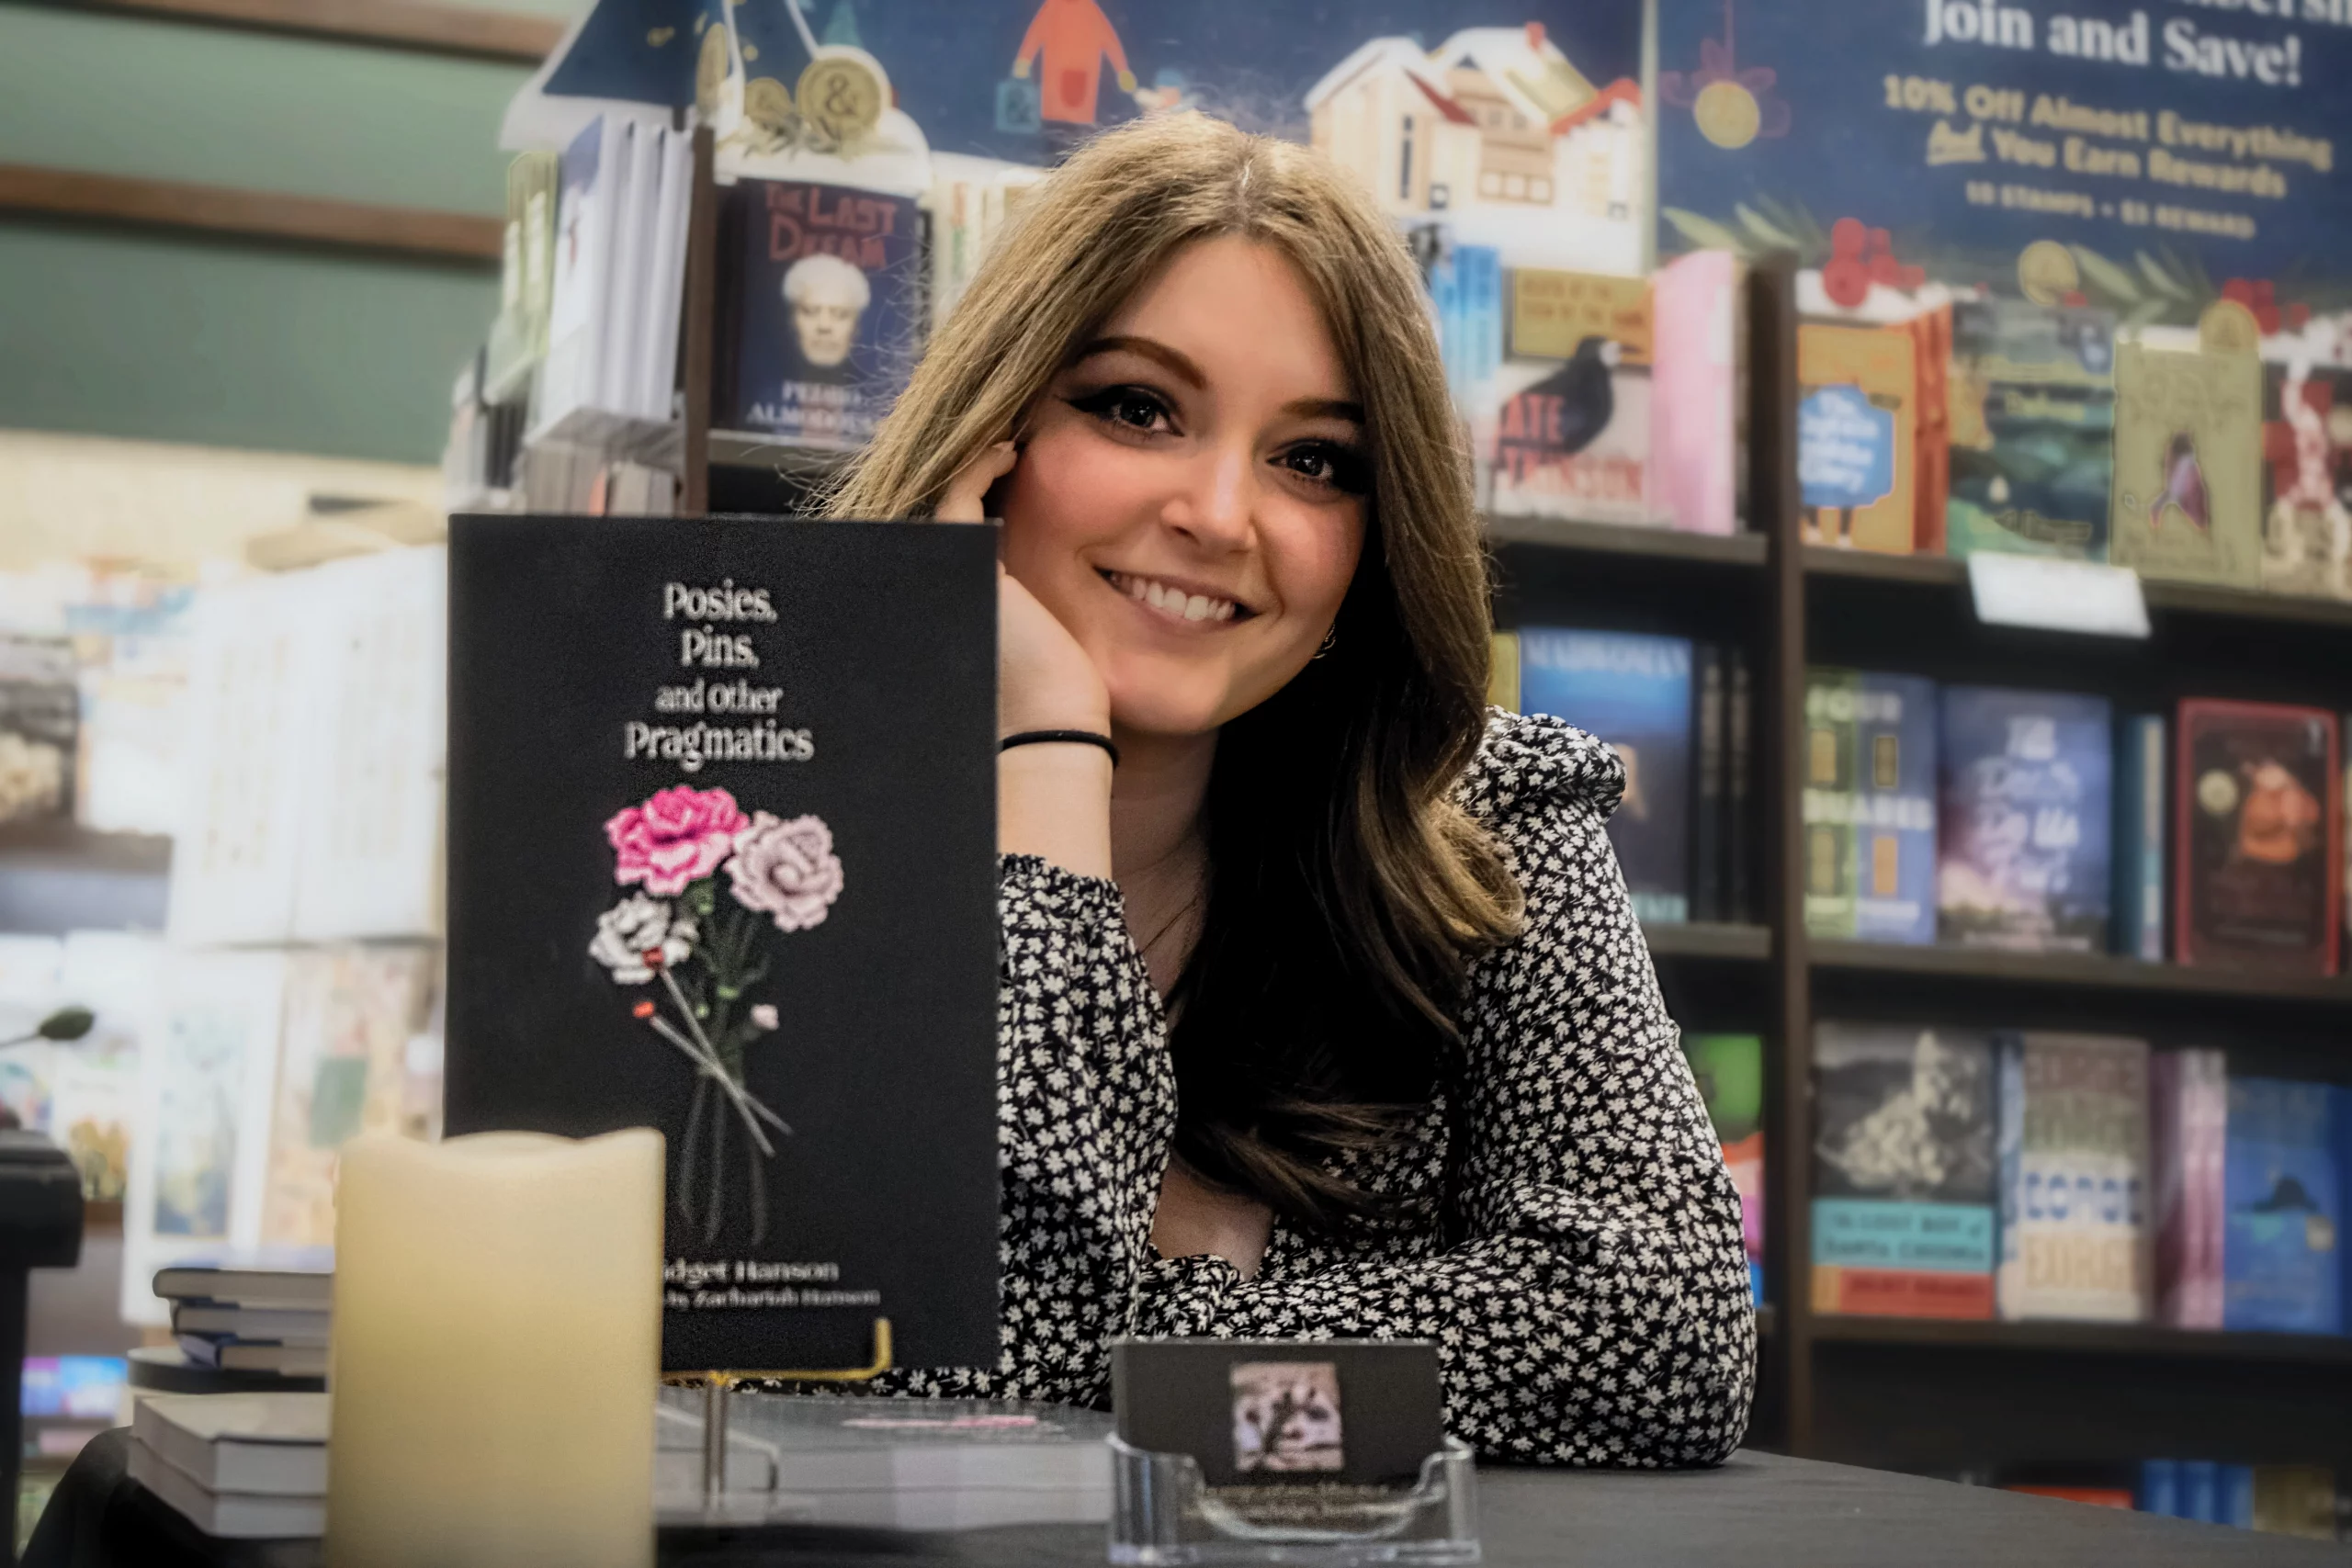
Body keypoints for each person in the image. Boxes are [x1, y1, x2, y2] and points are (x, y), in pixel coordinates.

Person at [818, 111, 1753, 1466]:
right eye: (1137, 408)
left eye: (1313, 460)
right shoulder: (759, 835)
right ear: (991, 432)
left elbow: (1663, 1336)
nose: (1218, 514)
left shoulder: (1485, 822)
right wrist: (1050, 747)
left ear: (1374, 538)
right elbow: (911, 1359)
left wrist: (1149, 1338)